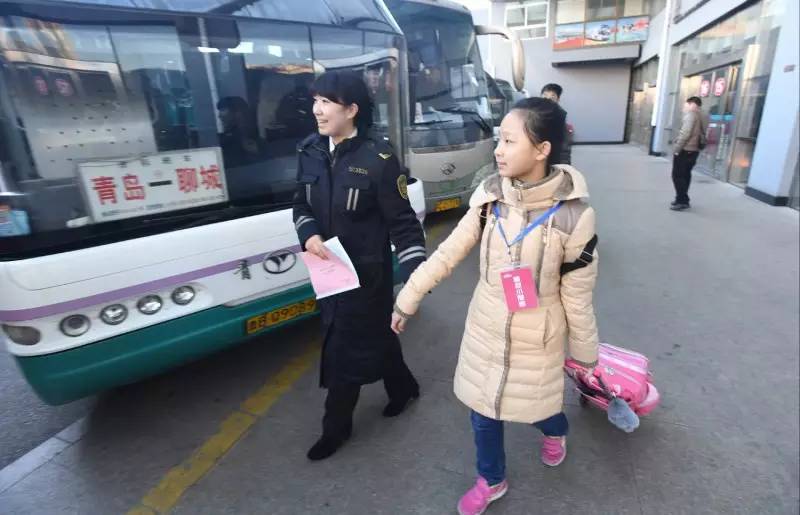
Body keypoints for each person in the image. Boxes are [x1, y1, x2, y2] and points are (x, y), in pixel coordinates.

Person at [391, 98, 600, 515]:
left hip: (538, 336)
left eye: (508, 140)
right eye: (498, 140)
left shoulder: (574, 216)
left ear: (541, 149)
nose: (498, 150)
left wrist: (584, 356)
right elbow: (447, 253)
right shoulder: (489, 198)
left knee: (539, 408)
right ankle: (492, 479)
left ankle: (555, 431)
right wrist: (407, 299)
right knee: (483, 412)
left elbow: (577, 295)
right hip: (485, 329)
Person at [293, 70, 426, 461]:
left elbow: (403, 223)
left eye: (326, 102)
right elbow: (300, 204)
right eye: (315, 101)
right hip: (328, 272)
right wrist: (309, 235)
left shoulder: (379, 159)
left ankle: (335, 428)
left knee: (343, 349)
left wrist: (416, 278)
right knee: (375, 337)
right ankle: (403, 387)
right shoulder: (309, 151)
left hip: (367, 278)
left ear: (351, 110)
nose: (317, 110)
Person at [671, 96, 706, 211]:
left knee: (677, 175)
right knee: (686, 175)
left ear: (691, 104)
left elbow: (685, 133)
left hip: (685, 149)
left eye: (686, 104)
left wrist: (677, 149)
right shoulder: (703, 115)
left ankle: (682, 201)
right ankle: (681, 198)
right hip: (695, 150)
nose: (685, 107)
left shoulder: (691, 115)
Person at [540, 83, 573, 165]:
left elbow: (564, 145)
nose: (547, 99)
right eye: (545, 95)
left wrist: (565, 165)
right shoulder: (532, 112)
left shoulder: (560, 116)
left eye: (552, 97)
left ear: (557, 100)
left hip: (552, 157)